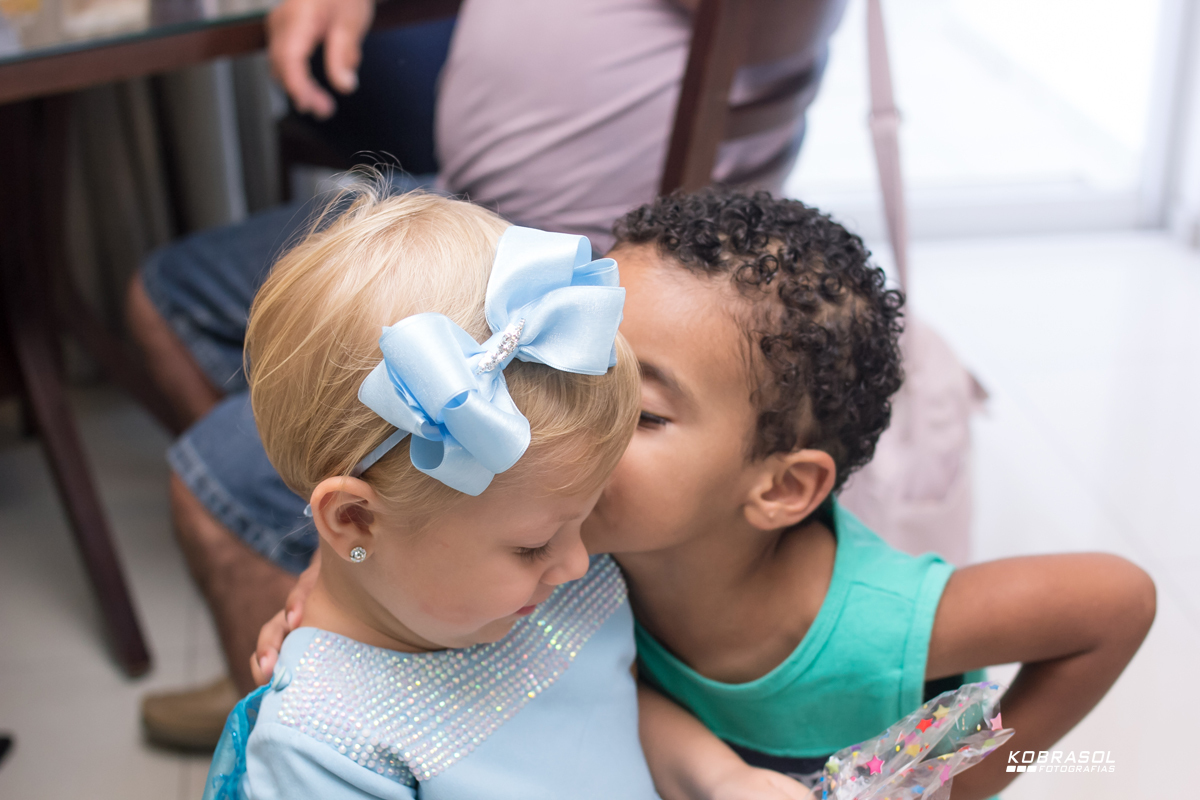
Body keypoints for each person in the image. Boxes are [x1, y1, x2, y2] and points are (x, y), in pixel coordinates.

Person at [258, 188, 1157, 800]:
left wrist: (954, 783)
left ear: (779, 489)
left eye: (638, 412)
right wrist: (332, 581)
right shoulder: (573, 542)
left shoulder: (876, 626)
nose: (575, 422)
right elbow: (417, 504)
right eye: (578, 373)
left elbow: (1116, 604)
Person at [131, 0, 850, 747]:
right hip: (455, 218)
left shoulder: (595, 592)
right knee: (165, 295)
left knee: (210, 485)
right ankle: (365, 627)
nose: (576, 564)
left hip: (561, 262)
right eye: (540, 546)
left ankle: (376, 609)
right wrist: (357, 562)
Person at [202, 186, 820, 799]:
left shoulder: (547, 591)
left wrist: (719, 777)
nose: (580, 561)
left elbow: (607, 708)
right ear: (356, 520)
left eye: (587, 515)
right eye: (534, 545)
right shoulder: (323, 745)